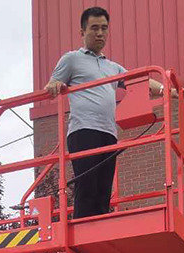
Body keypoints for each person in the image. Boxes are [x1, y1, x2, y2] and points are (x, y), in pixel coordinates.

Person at [44, 6, 125, 219]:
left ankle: (100, 231)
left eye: (104, 28)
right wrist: (54, 84)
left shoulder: (113, 67)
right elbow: (53, 83)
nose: (100, 33)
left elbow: (140, 79)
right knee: (87, 187)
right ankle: (83, 229)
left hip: (109, 133)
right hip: (84, 130)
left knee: (103, 192)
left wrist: (168, 88)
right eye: (94, 28)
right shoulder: (71, 59)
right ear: (82, 32)